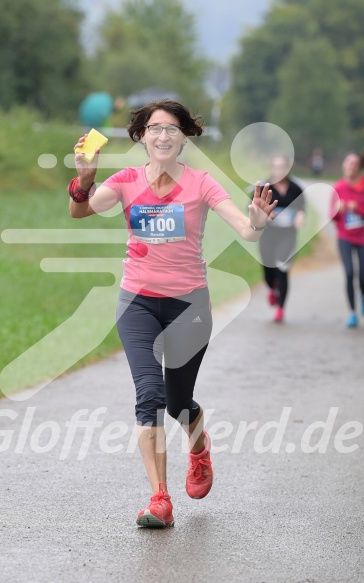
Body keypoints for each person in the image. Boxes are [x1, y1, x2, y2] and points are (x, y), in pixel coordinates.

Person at [67, 100, 277, 528]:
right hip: (137, 302)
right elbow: (81, 210)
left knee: (179, 403)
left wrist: (256, 221)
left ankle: (198, 450)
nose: (163, 136)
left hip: (189, 306)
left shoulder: (202, 183)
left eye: (172, 129)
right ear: (141, 136)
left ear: (185, 137)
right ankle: (160, 498)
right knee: (150, 396)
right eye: (155, 128)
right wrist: (83, 181)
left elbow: (245, 230)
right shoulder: (126, 180)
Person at [258, 156, 306, 323]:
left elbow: (302, 207)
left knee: (282, 269)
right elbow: (251, 207)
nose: (279, 170)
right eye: (276, 167)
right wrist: (265, 213)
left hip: (288, 235)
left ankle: (280, 308)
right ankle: (272, 288)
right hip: (267, 235)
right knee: (268, 270)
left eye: (282, 167)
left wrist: (300, 216)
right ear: (271, 168)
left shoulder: (296, 188)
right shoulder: (264, 187)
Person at [330, 152, 364, 328]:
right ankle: (352, 312)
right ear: (344, 165)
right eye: (349, 163)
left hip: (363, 237)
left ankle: (363, 296)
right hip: (344, 236)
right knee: (350, 273)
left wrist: (357, 208)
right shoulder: (338, 187)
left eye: (355, 163)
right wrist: (338, 210)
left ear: (359, 167)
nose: (351, 166)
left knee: (363, 276)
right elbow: (332, 217)